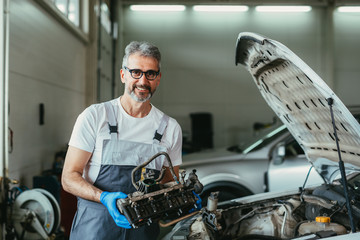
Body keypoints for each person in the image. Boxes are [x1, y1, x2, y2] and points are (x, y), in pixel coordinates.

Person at [61, 41, 183, 240]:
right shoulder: (95, 116)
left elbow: (169, 183)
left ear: (158, 78)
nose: (143, 81)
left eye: (150, 73)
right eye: (136, 72)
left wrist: (181, 195)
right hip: (94, 228)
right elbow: (69, 178)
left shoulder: (170, 128)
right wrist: (104, 197)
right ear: (123, 74)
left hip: (143, 231)